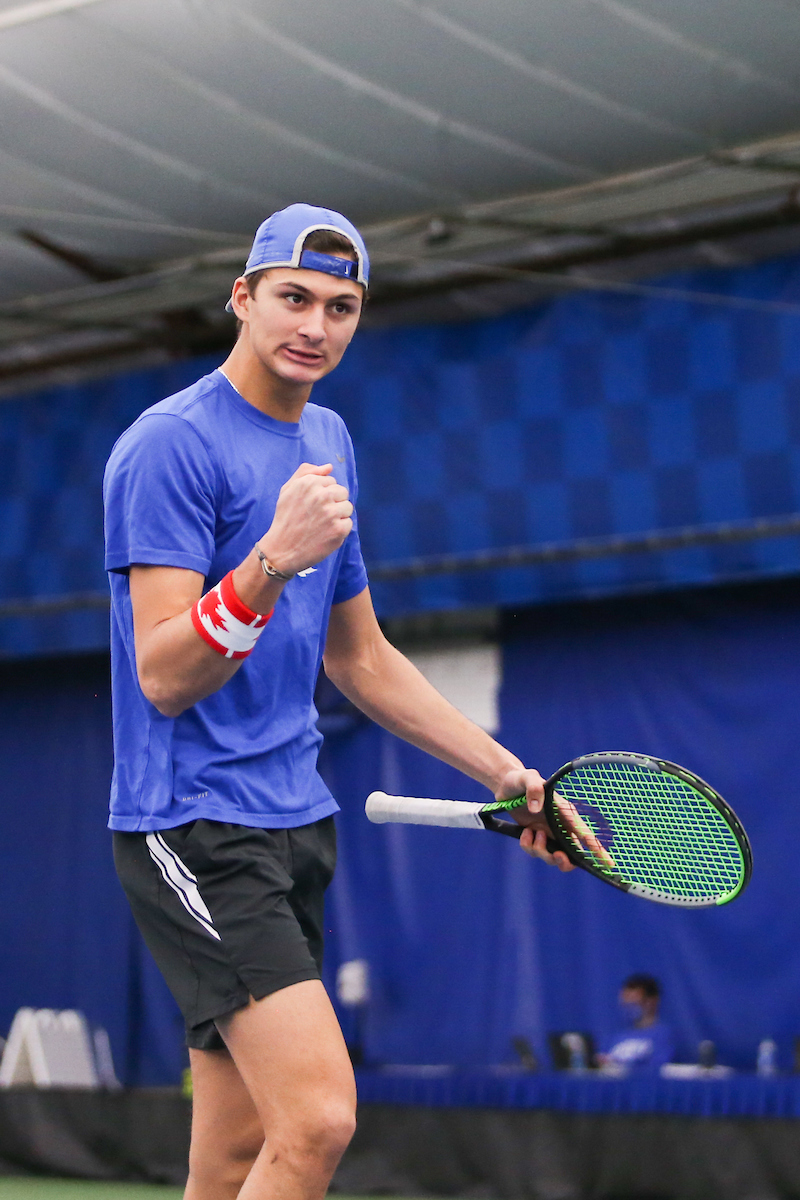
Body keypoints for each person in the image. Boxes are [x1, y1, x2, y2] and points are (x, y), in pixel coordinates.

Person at [103, 202, 575, 1200]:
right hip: (192, 825)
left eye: (341, 306)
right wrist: (270, 563)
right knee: (318, 1120)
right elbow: (163, 675)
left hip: (295, 826)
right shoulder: (168, 446)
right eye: (294, 297)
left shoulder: (327, 437)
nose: (315, 325)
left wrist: (507, 776)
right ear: (242, 298)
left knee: (237, 1152)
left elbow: (359, 657)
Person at [598, 973, 674, 1073]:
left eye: (633, 1003)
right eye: (625, 1003)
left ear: (651, 1002)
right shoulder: (616, 1036)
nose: (628, 1008)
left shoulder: (663, 1036)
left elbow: (657, 1069)